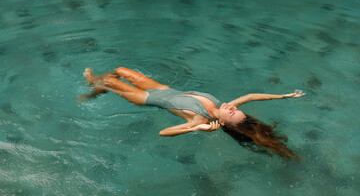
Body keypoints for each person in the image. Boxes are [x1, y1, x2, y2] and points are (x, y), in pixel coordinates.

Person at [79, 67, 306, 158]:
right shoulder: (221, 106)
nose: (232, 107)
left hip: (145, 98)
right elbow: (252, 96)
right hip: (161, 89)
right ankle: (97, 87)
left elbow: (163, 132)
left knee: (108, 80)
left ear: (224, 124)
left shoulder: (199, 118)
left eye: (231, 112)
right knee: (119, 71)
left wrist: (195, 128)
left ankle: (93, 86)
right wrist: (285, 96)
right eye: (236, 109)